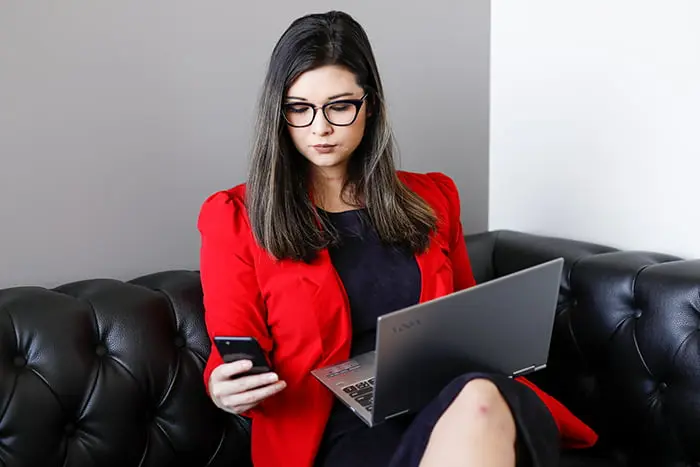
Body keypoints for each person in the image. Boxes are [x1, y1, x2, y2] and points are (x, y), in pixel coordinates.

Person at [198, 10, 597, 467]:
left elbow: (468, 324)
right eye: (299, 108)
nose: (320, 127)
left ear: (371, 105)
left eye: (340, 105)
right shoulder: (234, 216)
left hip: (451, 394)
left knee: (481, 399)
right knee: (476, 411)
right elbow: (231, 349)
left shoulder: (433, 197)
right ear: (278, 112)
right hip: (334, 426)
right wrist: (224, 387)